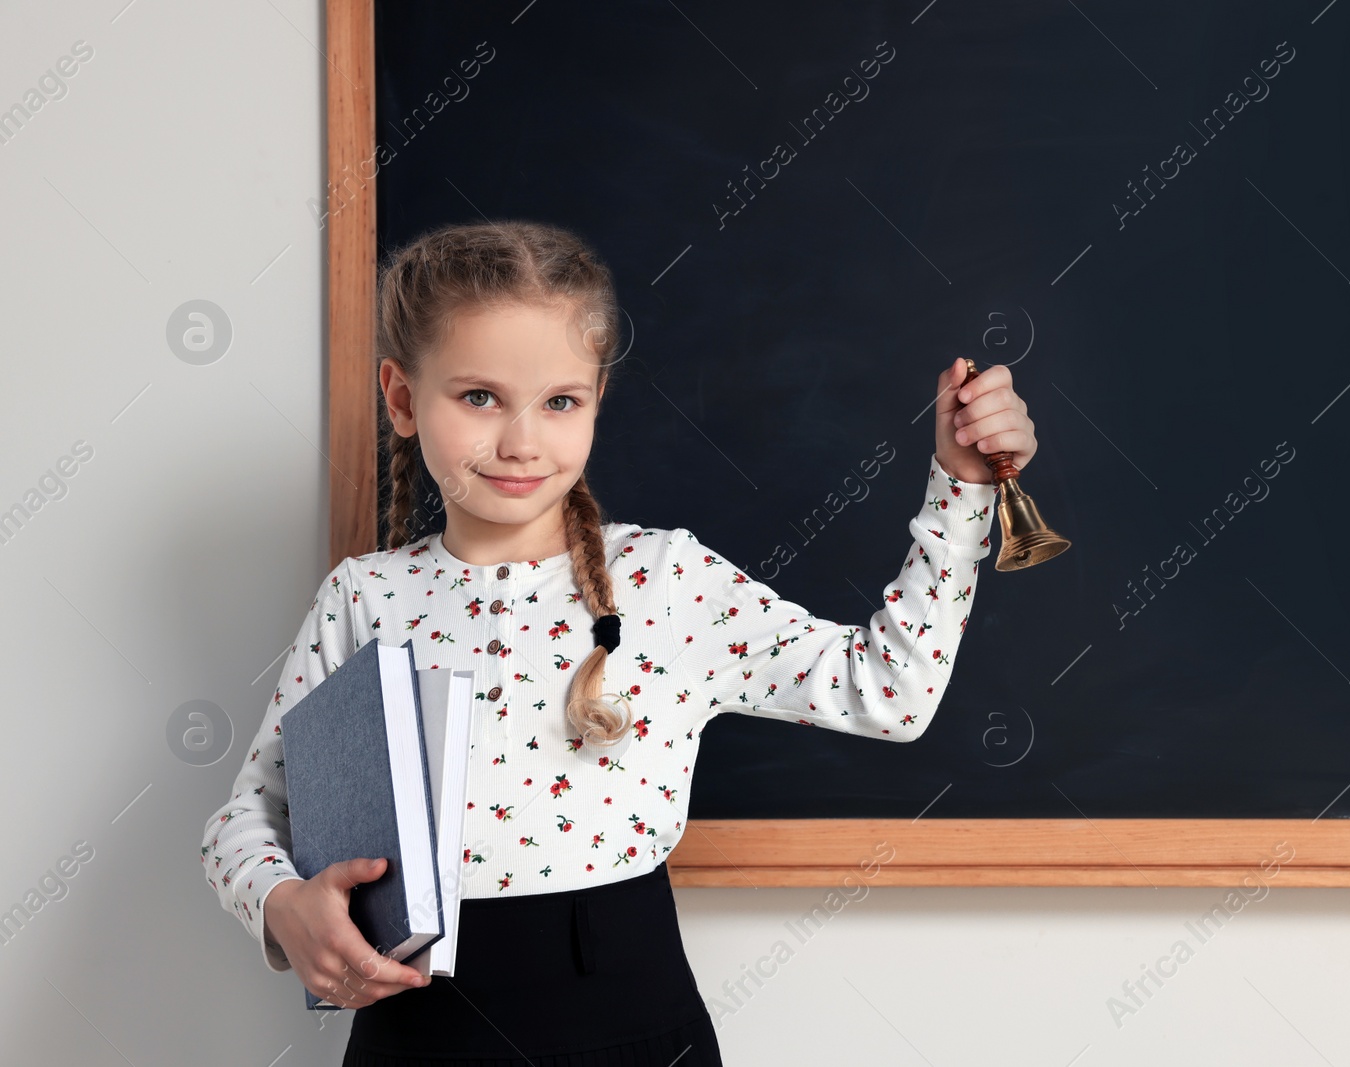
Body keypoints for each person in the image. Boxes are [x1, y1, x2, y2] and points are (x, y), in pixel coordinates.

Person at [199, 220, 1037, 1065]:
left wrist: (961, 492)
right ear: (402, 398)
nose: (522, 440)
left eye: (560, 400)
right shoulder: (366, 596)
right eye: (479, 396)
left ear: (598, 397)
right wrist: (281, 903)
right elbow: (249, 813)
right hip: (418, 1031)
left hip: (631, 1023)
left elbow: (887, 693)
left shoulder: (670, 581)